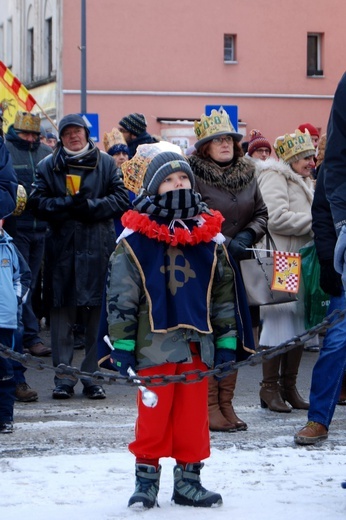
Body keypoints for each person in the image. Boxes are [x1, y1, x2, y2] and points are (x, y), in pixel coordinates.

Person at [105, 146, 252, 509]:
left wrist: (228, 340)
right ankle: (146, 481)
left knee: (192, 416)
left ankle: (189, 481)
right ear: (155, 189)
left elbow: (222, 294)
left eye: (183, 177)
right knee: (153, 418)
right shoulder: (134, 239)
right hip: (153, 344)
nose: (177, 184)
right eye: (168, 180)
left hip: (196, 344)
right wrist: (121, 345)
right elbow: (122, 296)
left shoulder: (209, 238)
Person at [27, 114, 129, 400]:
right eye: (68, 132)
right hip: (63, 250)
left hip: (98, 248)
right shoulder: (48, 165)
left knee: (97, 316)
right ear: (61, 137)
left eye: (78, 131)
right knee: (61, 316)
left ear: (87, 133)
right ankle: (63, 378)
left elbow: (122, 200)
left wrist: (91, 206)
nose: (74, 136)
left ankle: (91, 377)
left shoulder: (107, 163)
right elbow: (36, 203)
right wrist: (65, 205)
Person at [188, 107, 268, 432]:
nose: (225, 144)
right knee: (212, 333)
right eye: (217, 140)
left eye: (229, 139)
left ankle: (226, 403)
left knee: (236, 335)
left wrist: (247, 234)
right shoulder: (191, 173)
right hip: (207, 266)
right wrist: (218, 237)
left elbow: (261, 212)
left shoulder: (249, 173)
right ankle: (208, 406)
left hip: (239, 263)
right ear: (205, 146)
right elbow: (191, 212)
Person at [256, 129, 316, 412]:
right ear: (292, 158)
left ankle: (288, 386)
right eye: (306, 157)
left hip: (300, 259)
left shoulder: (303, 179)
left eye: (312, 157)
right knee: (280, 323)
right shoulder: (275, 176)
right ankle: (269, 388)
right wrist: (317, 222)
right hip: (283, 260)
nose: (311, 162)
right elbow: (275, 218)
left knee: (300, 324)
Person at [294, 162, 346, 444]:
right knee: (337, 341)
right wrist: (328, 261)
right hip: (345, 263)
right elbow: (323, 217)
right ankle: (318, 418)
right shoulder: (333, 167)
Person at [4, 111, 52, 357]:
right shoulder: (8, 149)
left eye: (35, 134)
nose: (31, 138)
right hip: (16, 228)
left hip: (41, 228)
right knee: (22, 284)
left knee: (31, 283)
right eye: (26, 133)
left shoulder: (46, 153)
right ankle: (28, 336)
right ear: (16, 132)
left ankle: (26, 334)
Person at [0, 136, 18, 433]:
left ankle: (4, 415)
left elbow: (7, 191)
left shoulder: (8, 246)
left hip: (3, 316)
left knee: (3, 367)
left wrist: (17, 299)